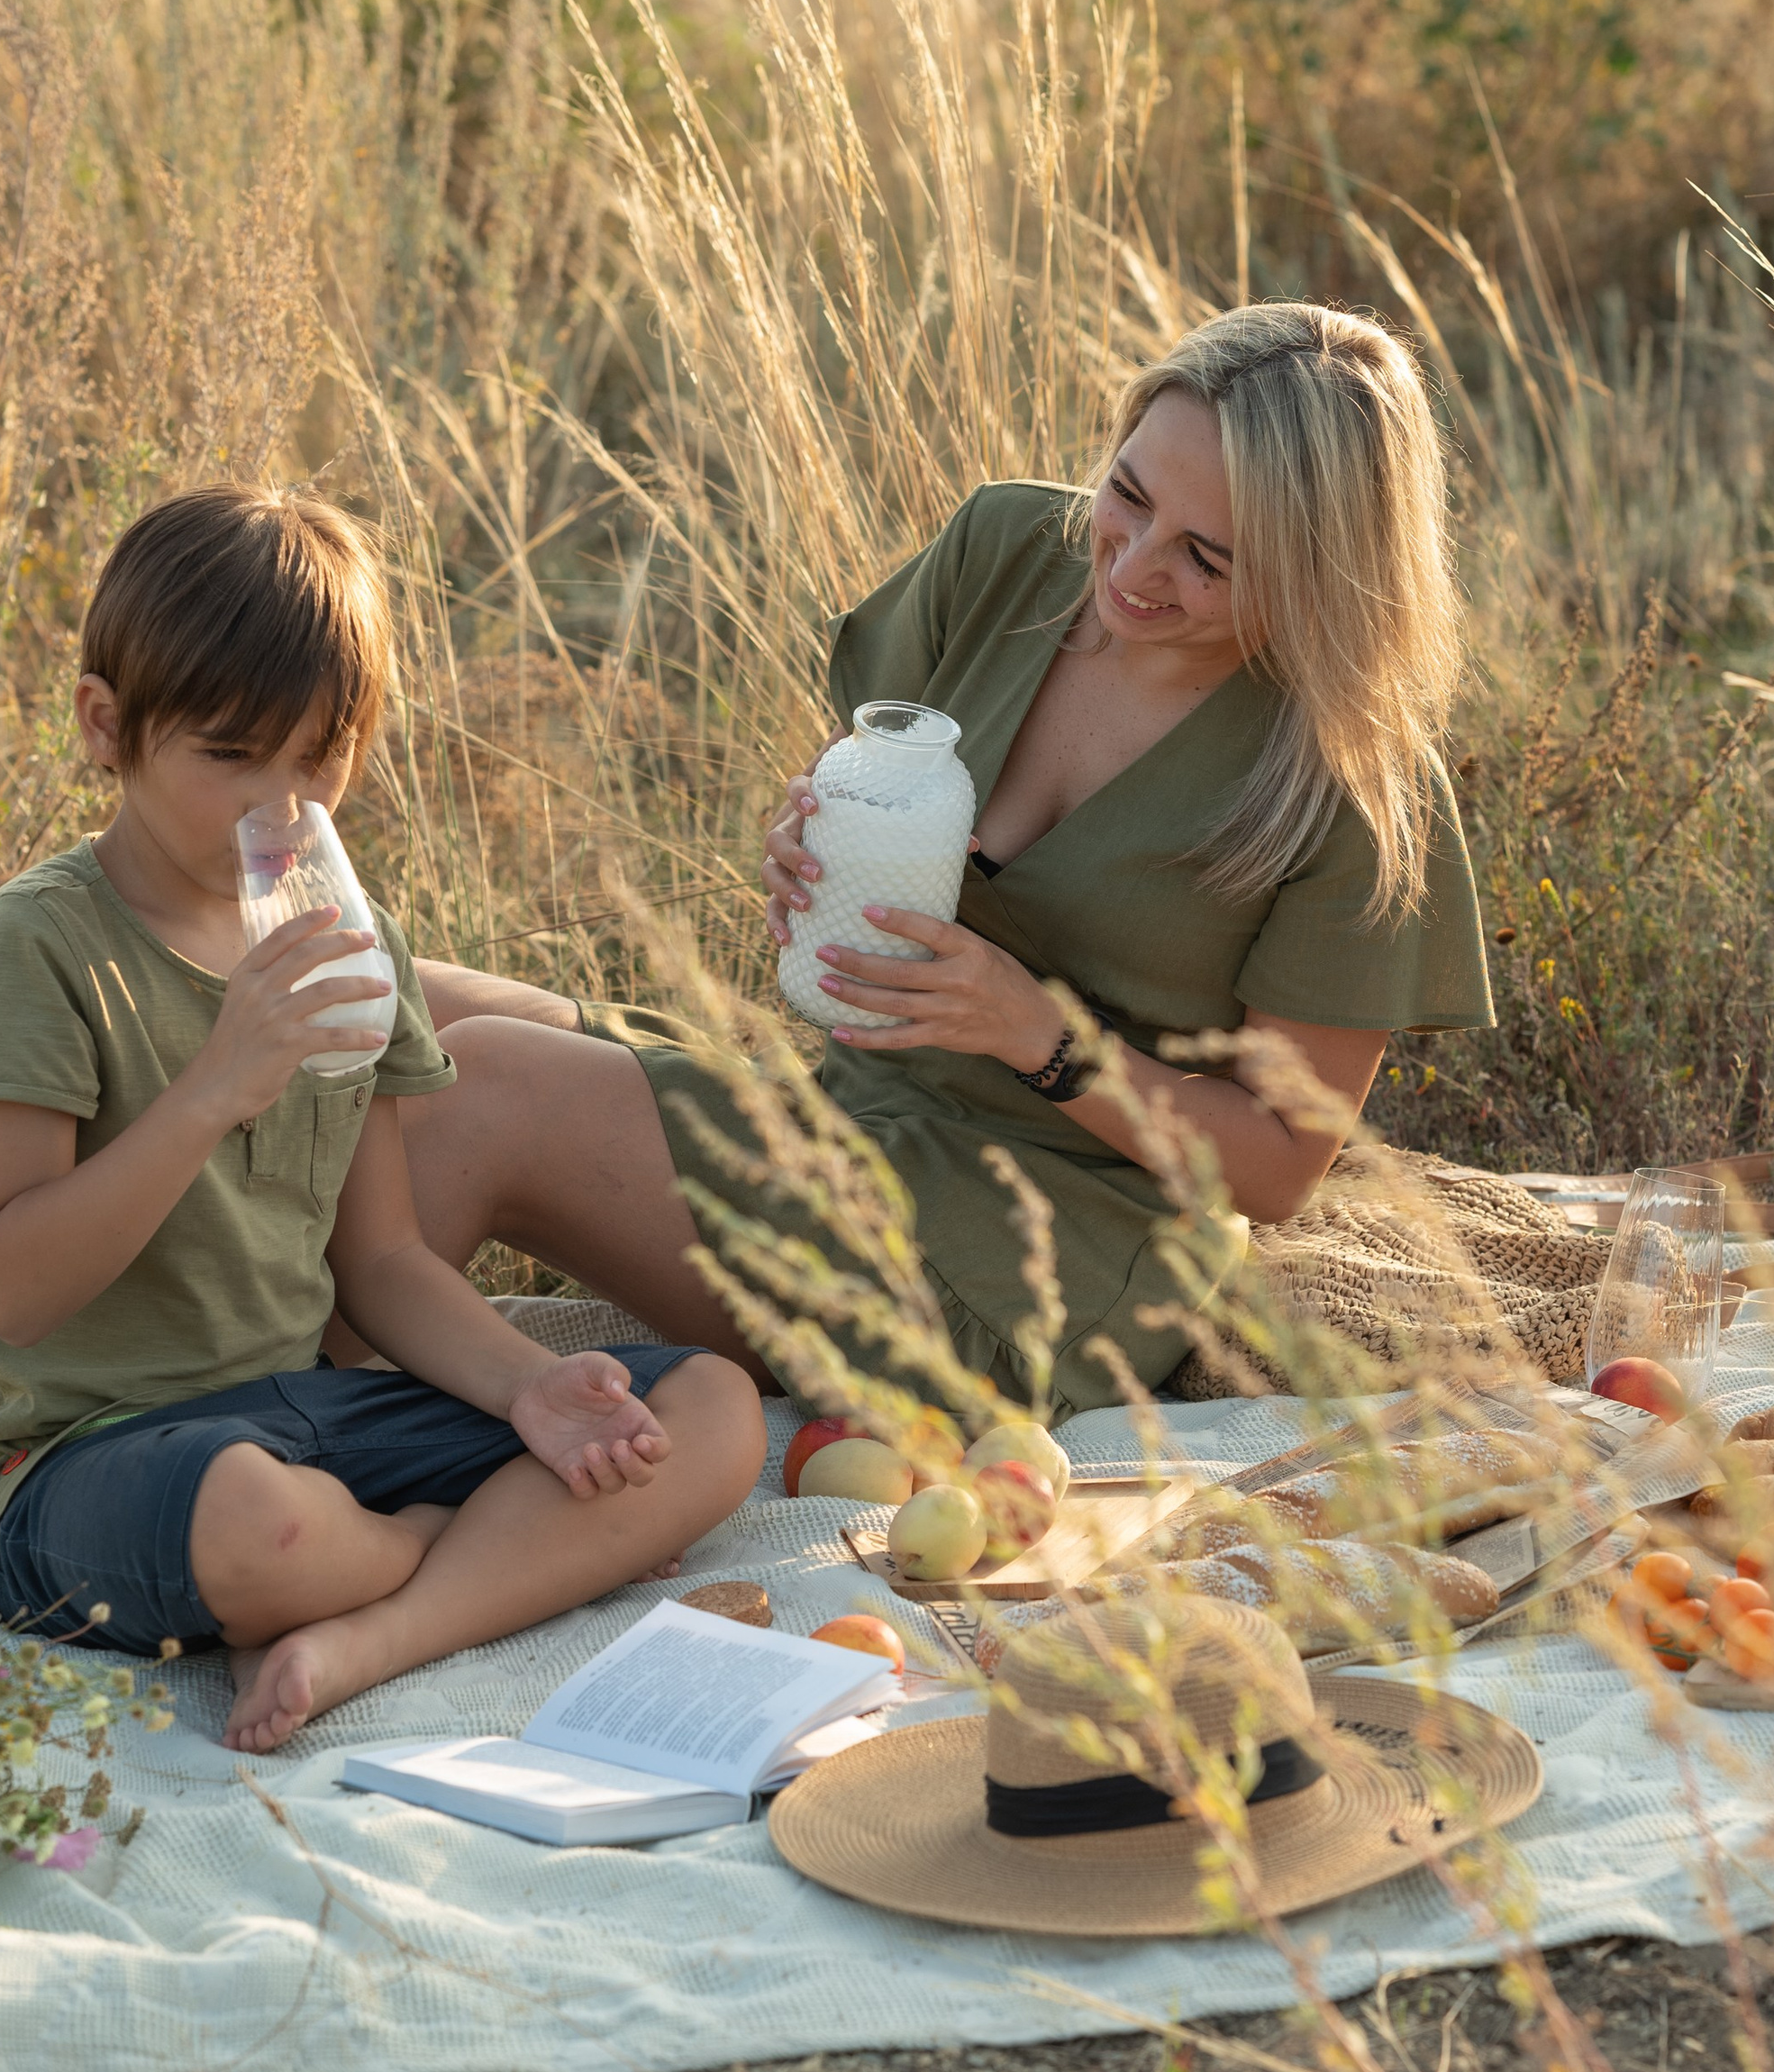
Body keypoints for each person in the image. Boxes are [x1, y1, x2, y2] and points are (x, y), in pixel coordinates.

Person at [406, 302, 1494, 1420]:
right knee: (391, 998)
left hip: (1029, 1253)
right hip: (849, 1107)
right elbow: (859, 763)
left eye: (1206, 557)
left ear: (1321, 569)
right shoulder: (1009, 549)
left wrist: (1037, 1035)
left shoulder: (1351, 783)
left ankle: (330, 1440)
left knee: (478, 1089)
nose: (1134, 564)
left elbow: (1277, 1168)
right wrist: (809, 832)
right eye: (1128, 494)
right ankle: (310, 1400)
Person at [0, 485, 762, 1751]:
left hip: (301, 1411)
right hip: (75, 1460)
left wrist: (529, 1388)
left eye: (318, 758)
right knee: (262, 1525)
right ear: (106, 725)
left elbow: (382, 1260)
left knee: (708, 1411)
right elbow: (11, 1290)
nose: (279, 803)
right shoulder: (37, 945)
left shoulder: (352, 946)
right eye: (228, 755)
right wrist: (215, 1086)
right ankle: (448, 1549)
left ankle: (373, 1629)